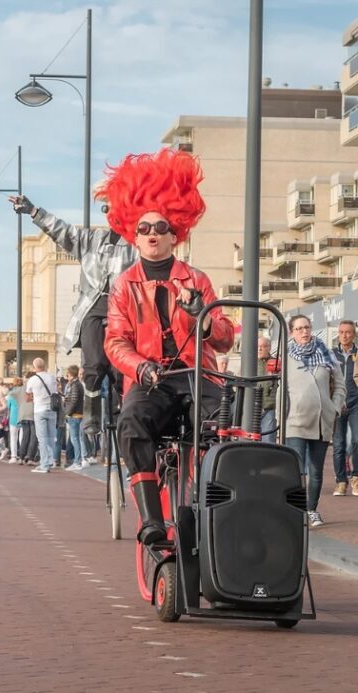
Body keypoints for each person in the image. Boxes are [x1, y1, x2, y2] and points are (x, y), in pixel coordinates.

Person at [103, 148, 234, 545]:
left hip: (197, 375)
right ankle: (152, 519)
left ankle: (210, 509)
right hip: (149, 378)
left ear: (176, 231)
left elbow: (226, 337)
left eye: (161, 226)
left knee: (220, 427)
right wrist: (140, 368)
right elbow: (115, 340)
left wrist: (205, 318)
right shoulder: (124, 284)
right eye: (144, 228)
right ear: (133, 234)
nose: (152, 233)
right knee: (131, 424)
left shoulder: (196, 279)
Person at [8, 187, 138, 438]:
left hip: (122, 311)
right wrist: (34, 211)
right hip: (93, 308)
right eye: (109, 209)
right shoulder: (92, 240)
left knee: (119, 369)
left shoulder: (135, 247)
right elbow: (62, 231)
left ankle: (124, 413)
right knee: (93, 364)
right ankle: (92, 414)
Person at [284, 314, 345, 527]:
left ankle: (311, 510)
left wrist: (334, 408)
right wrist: (280, 418)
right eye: (299, 328)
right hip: (295, 422)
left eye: (307, 327)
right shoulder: (287, 356)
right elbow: (282, 389)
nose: (304, 332)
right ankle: (295, 510)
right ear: (292, 332)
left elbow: (340, 385)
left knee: (316, 471)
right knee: (296, 469)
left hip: (321, 421)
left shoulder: (327, 355)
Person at [331, 319, 358, 497]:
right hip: (337, 404)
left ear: (354, 334)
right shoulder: (331, 354)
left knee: (357, 440)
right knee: (339, 445)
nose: (344, 335)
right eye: (341, 332)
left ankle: (356, 478)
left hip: (356, 403)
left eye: (348, 332)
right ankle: (341, 481)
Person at [24, 359, 58, 473]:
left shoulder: (32, 379)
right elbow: (55, 391)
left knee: (42, 438)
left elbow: (27, 398)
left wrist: (36, 397)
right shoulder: (52, 377)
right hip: (52, 409)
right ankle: (49, 461)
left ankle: (44, 465)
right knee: (50, 437)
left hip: (39, 409)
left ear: (34, 367)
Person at [63, 365, 85, 470]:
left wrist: (68, 412)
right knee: (75, 438)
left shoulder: (75, 385)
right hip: (77, 414)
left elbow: (74, 400)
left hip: (74, 414)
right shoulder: (77, 384)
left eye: (67, 374)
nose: (67, 376)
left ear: (71, 374)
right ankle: (78, 461)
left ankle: (77, 461)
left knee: (74, 439)